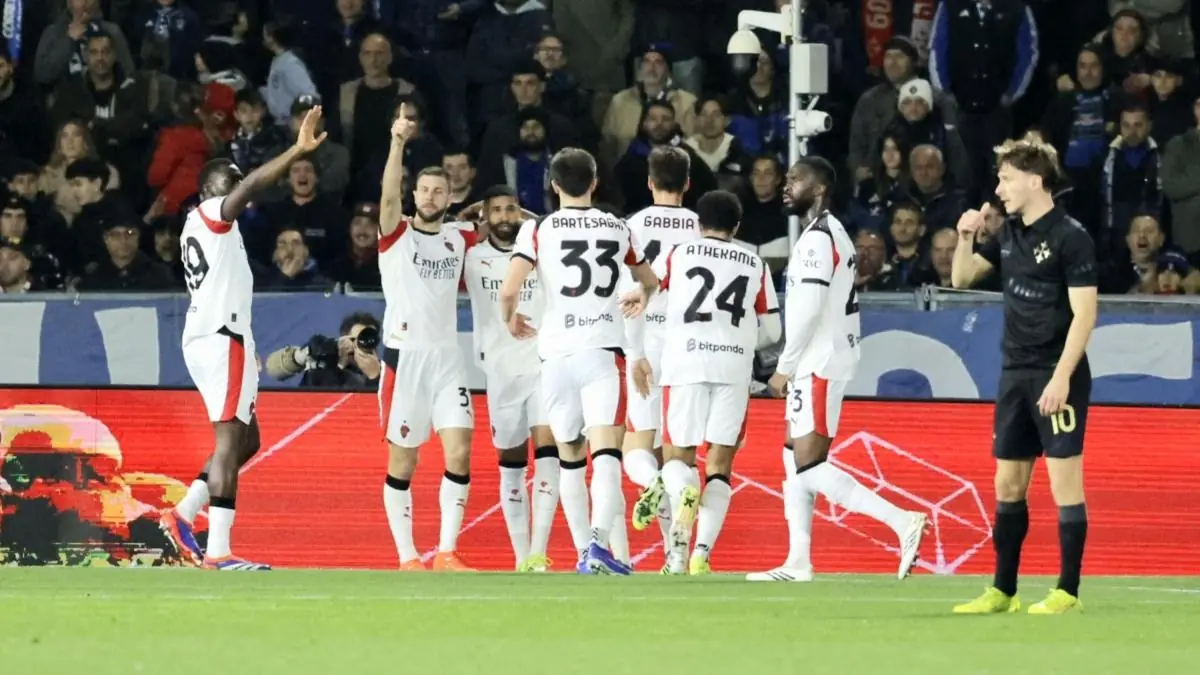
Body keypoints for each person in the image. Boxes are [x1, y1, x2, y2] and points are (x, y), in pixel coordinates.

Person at [157, 106, 329, 571]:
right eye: (229, 180)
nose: (238, 186)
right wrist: (295, 151)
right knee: (230, 439)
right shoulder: (211, 212)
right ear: (210, 190)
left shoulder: (209, 229)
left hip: (214, 334)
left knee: (247, 439)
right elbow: (252, 185)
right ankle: (218, 552)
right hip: (220, 334)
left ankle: (182, 513)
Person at [748, 156, 929, 583]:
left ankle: (901, 520)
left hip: (819, 360)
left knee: (809, 464)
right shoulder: (829, 233)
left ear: (820, 188)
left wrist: (783, 367)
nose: (786, 185)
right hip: (822, 357)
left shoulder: (817, 240)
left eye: (796, 179)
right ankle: (798, 560)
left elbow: (809, 311)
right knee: (792, 456)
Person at [950, 135, 1097, 615]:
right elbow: (961, 279)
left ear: (1035, 181)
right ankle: (1003, 590)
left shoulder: (1072, 237)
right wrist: (966, 236)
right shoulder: (1009, 233)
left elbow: (1085, 315)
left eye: (1007, 179)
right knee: (1008, 485)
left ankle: (1067, 591)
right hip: (1014, 372)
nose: (999, 189)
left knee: (1063, 485)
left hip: (1057, 374)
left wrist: (1062, 377)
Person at [499, 148, 659, 575]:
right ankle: (598, 547)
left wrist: (510, 318)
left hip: (555, 357)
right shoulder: (618, 227)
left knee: (570, 458)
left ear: (553, 186)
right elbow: (650, 280)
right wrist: (640, 295)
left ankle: (582, 553)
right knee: (606, 455)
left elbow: (509, 290)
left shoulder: (537, 229)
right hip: (601, 353)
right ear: (594, 183)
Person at [639, 190, 781, 575]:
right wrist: (741, 340)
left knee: (677, 456)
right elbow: (773, 330)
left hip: (685, 363)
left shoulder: (679, 253)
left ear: (698, 224)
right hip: (733, 368)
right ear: (737, 226)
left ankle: (676, 553)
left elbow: (651, 290)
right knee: (719, 464)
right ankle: (701, 553)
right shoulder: (755, 264)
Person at [377, 105, 483, 572]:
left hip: (448, 359)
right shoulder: (395, 234)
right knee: (404, 463)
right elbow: (386, 198)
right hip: (404, 358)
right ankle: (407, 556)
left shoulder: (461, 237)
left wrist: (495, 212)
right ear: (414, 194)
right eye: (424, 189)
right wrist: (397, 142)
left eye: (439, 190)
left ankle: (446, 552)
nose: (430, 195)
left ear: (449, 195)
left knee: (459, 451)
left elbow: (508, 227)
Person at [463, 185, 559, 573]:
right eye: (497, 210)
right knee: (512, 464)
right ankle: (521, 556)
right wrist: (468, 212)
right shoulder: (472, 257)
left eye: (511, 209)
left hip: (543, 364)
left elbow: (549, 226)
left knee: (549, 454)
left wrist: (528, 219)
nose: (504, 217)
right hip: (500, 372)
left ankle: (538, 552)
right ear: (485, 216)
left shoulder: (542, 252)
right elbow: (448, 231)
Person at [617, 147, 701, 554]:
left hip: (647, 338)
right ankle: (677, 552)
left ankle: (652, 484)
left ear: (649, 182)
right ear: (688, 183)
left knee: (638, 444)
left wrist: (634, 353)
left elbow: (628, 295)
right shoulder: (702, 228)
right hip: (689, 345)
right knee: (678, 451)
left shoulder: (630, 226)